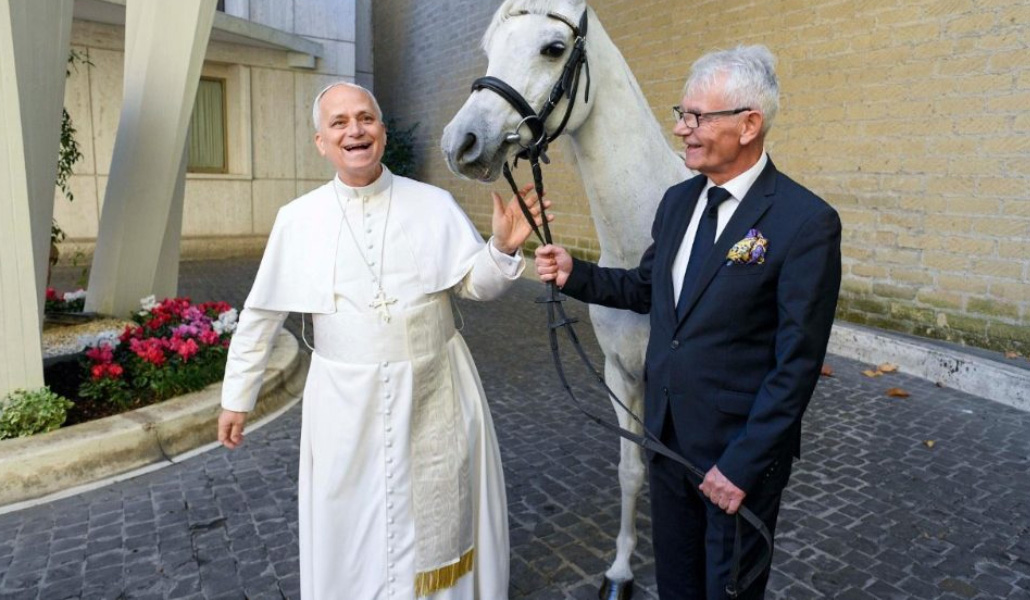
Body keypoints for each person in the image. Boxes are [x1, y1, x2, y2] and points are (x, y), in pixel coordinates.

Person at [218, 82, 548, 599]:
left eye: (366, 118)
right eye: (340, 122)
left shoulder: (432, 204)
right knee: (352, 524)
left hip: (436, 385)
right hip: (344, 404)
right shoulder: (297, 220)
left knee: (441, 512)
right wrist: (237, 397)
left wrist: (501, 249)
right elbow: (261, 316)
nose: (355, 130)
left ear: (383, 131)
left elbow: (475, 285)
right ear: (321, 142)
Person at [535, 45, 841, 599]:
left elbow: (796, 365)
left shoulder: (806, 222)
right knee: (676, 585)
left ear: (749, 125)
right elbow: (646, 289)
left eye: (697, 117)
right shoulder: (678, 202)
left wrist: (743, 466)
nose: (682, 129)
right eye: (682, 114)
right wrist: (573, 272)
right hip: (667, 441)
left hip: (734, 462)